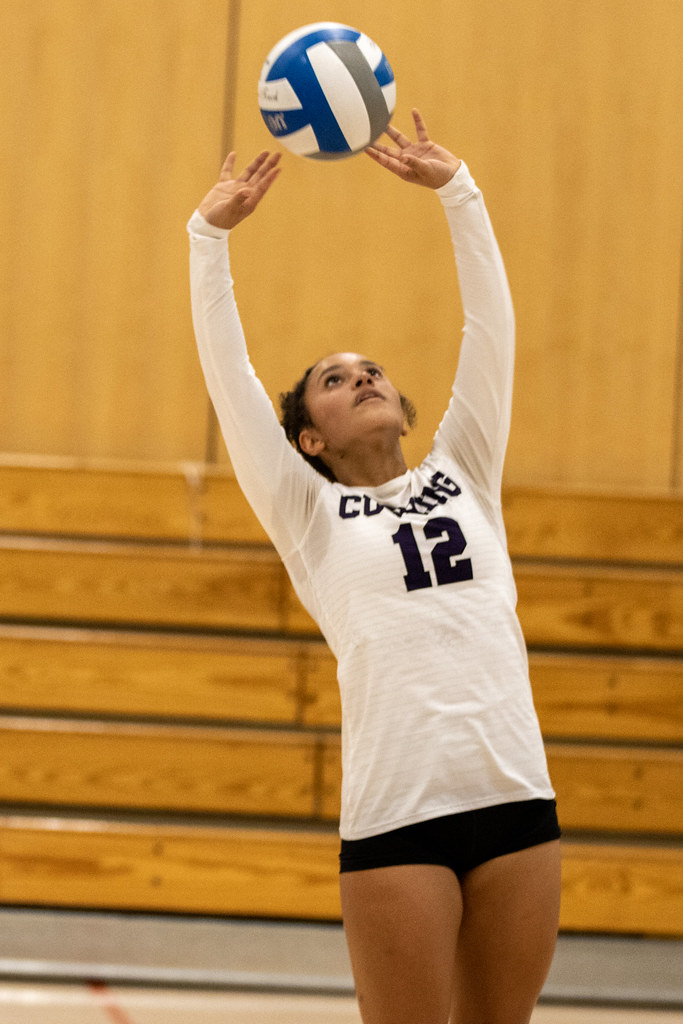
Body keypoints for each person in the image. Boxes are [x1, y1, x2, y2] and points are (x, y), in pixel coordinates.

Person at [188, 109, 561, 1024]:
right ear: (308, 437)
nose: (363, 378)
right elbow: (230, 382)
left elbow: (490, 329)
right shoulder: (306, 511)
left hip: (516, 794)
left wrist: (458, 193)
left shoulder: (464, 466)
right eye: (334, 378)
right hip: (399, 818)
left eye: (374, 370)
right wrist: (208, 239)